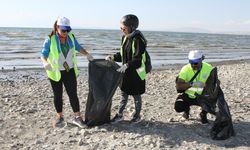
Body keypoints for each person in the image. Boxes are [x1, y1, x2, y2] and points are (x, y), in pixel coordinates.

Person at [40, 17, 94, 128]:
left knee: (73, 94)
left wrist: (87, 54)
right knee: (58, 95)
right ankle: (60, 117)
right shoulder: (50, 39)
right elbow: (43, 55)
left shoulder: (71, 38)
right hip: (55, 72)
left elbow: (78, 48)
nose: (66, 33)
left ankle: (77, 117)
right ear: (57, 27)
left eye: (68, 30)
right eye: (63, 30)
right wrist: (45, 63)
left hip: (69, 71)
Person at [105, 14, 147, 124]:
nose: (122, 30)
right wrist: (113, 57)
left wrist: (126, 65)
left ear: (132, 27)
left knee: (136, 95)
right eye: (121, 28)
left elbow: (137, 60)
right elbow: (123, 54)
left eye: (124, 28)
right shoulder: (124, 38)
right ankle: (119, 115)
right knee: (124, 94)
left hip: (137, 73)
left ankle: (137, 116)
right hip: (126, 72)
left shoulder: (139, 40)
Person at [175, 50, 213, 124]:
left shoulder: (208, 68)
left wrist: (207, 85)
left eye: (195, 63)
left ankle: (203, 114)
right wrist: (193, 84)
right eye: (191, 63)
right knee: (178, 106)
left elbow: (216, 82)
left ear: (201, 60)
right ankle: (186, 111)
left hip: (202, 96)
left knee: (213, 104)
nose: (193, 65)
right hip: (188, 96)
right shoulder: (185, 69)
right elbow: (179, 86)